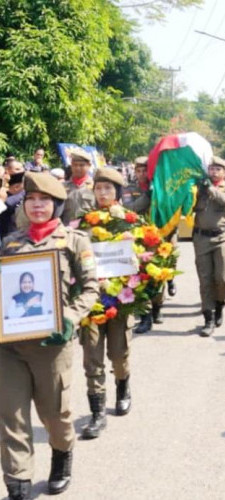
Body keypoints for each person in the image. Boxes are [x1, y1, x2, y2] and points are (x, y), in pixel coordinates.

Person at [0, 172, 99, 499]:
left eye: (44, 201)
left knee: (55, 415)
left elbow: (90, 289)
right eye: (31, 200)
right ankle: (18, 482)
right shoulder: (10, 243)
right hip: (9, 346)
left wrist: (70, 317)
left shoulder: (74, 241)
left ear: (56, 205)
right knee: (10, 416)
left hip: (52, 346)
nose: (37, 205)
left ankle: (61, 454)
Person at [79, 168, 134, 440]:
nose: (102, 193)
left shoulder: (131, 222)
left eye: (108, 189)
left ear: (118, 192)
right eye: (98, 188)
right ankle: (97, 413)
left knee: (118, 353)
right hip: (90, 302)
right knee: (92, 358)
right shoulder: (82, 224)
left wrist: (133, 249)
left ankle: (123, 387)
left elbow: (146, 261)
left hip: (120, 300)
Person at [193, 156, 225, 337]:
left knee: (221, 278)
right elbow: (188, 205)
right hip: (202, 238)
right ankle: (208, 318)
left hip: (222, 236)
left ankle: (219, 305)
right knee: (205, 279)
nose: (213, 172)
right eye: (211, 169)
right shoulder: (200, 189)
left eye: (218, 169)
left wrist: (210, 189)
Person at [62, 150, 95, 224]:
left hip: (89, 230)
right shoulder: (62, 187)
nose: (77, 168)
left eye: (81, 165)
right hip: (67, 230)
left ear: (89, 165)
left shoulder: (95, 187)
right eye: (75, 165)